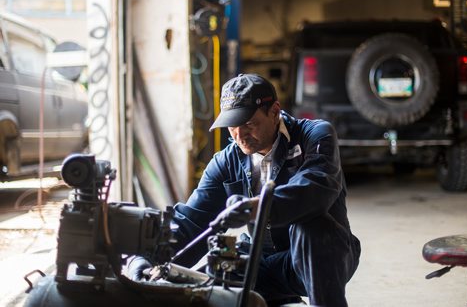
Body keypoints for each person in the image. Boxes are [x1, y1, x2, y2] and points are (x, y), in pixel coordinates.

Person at [130, 73, 361, 306]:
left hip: (323, 256)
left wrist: (258, 208)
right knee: (216, 273)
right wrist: (144, 258)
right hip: (264, 261)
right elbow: (191, 223)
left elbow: (316, 188)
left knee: (312, 227)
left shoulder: (315, 135)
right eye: (232, 126)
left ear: (274, 111)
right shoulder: (225, 162)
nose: (239, 135)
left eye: (249, 124)